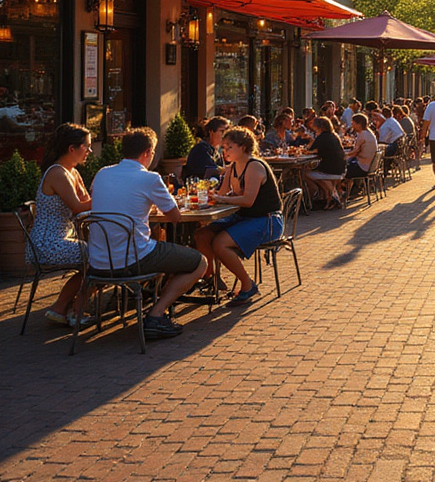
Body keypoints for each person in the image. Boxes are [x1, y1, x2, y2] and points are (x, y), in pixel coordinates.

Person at [89, 127, 206, 339]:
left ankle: (146, 297)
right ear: (147, 152)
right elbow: (175, 217)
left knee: (156, 243)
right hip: (132, 259)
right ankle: (156, 314)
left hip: (98, 261)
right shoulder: (149, 178)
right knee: (200, 262)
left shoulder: (102, 173)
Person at [196, 126, 283, 307]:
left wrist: (221, 198)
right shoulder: (232, 167)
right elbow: (222, 194)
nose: (224, 151)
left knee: (219, 243)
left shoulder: (254, 166)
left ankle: (247, 285)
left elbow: (249, 200)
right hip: (244, 218)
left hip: (266, 220)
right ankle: (212, 279)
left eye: (229, 147)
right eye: (224, 147)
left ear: (243, 147)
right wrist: (210, 196)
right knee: (202, 235)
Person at [29, 123, 94, 327]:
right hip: (47, 244)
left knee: (104, 255)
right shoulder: (58, 173)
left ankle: (62, 308)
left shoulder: (71, 172)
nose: (90, 151)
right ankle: (73, 308)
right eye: (87, 146)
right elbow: (77, 207)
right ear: (72, 148)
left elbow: (86, 203)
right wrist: (108, 192)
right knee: (104, 258)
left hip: (61, 239)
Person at [303, 116, 347, 208]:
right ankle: (328, 196)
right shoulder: (334, 136)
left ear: (319, 127)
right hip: (341, 168)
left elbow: (310, 149)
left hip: (331, 170)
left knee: (304, 173)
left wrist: (311, 140)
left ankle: (326, 195)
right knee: (319, 174)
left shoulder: (322, 137)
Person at [343, 113, 379, 195]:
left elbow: (355, 152)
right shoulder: (369, 133)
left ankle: (345, 193)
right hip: (371, 166)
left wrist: (344, 155)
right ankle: (350, 191)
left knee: (341, 170)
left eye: (353, 123)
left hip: (363, 167)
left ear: (359, 124)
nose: (352, 125)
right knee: (349, 165)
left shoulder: (362, 135)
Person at [183, 116, 227, 182]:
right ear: (211, 132)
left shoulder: (217, 152)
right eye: (222, 131)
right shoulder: (201, 149)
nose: (225, 135)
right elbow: (208, 171)